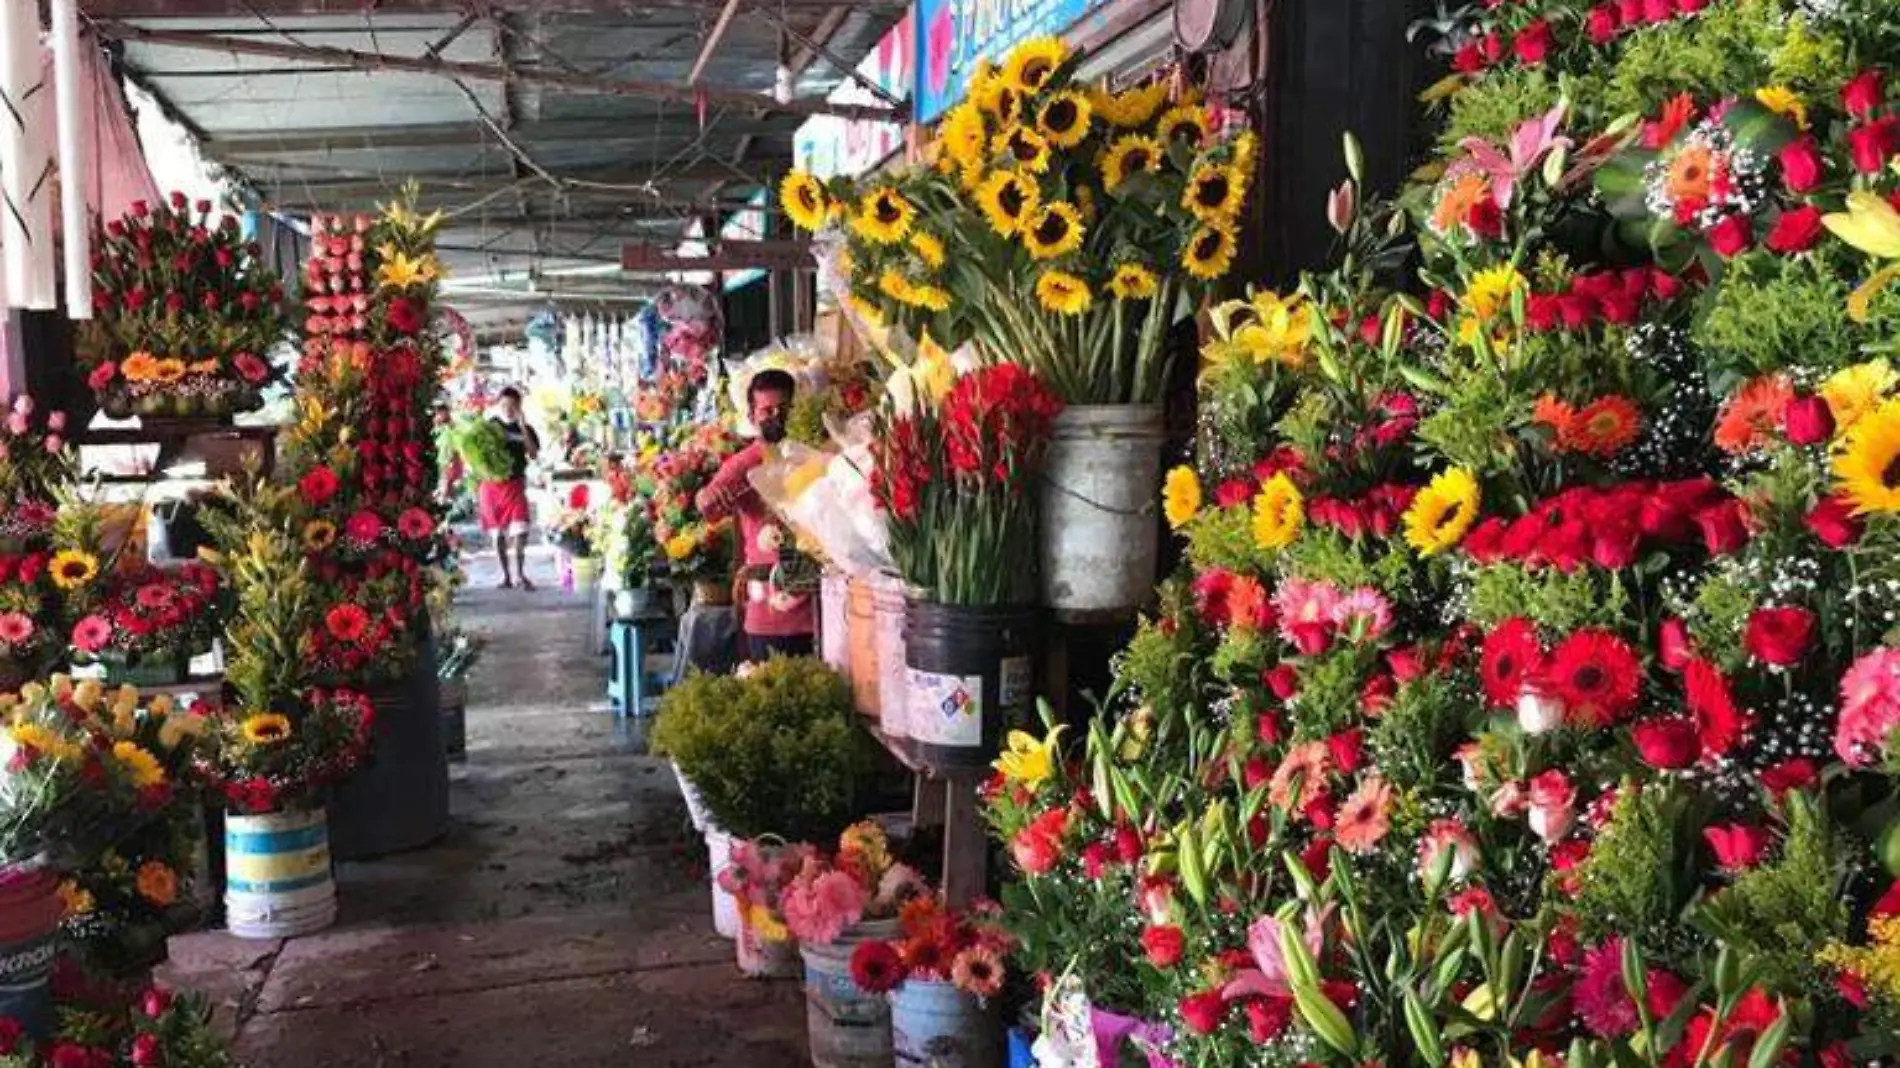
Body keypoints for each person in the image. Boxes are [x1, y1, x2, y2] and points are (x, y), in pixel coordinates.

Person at [696, 369, 815, 661]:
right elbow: (706, 501)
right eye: (766, 411)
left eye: (784, 409)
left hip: (820, 607)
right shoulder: (745, 464)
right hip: (770, 613)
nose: (776, 417)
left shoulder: (814, 454)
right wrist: (710, 499)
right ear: (751, 417)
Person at [478, 387, 541, 590]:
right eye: (504, 405)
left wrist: (522, 428)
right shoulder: (491, 427)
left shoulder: (526, 430)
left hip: (515, 486)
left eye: (513, 405)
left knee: (520, 531)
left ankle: (520, 573)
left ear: (519, 407)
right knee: (498, 535)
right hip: (492, 487)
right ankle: (505, 576)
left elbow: (532, 454)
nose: (508, 409)